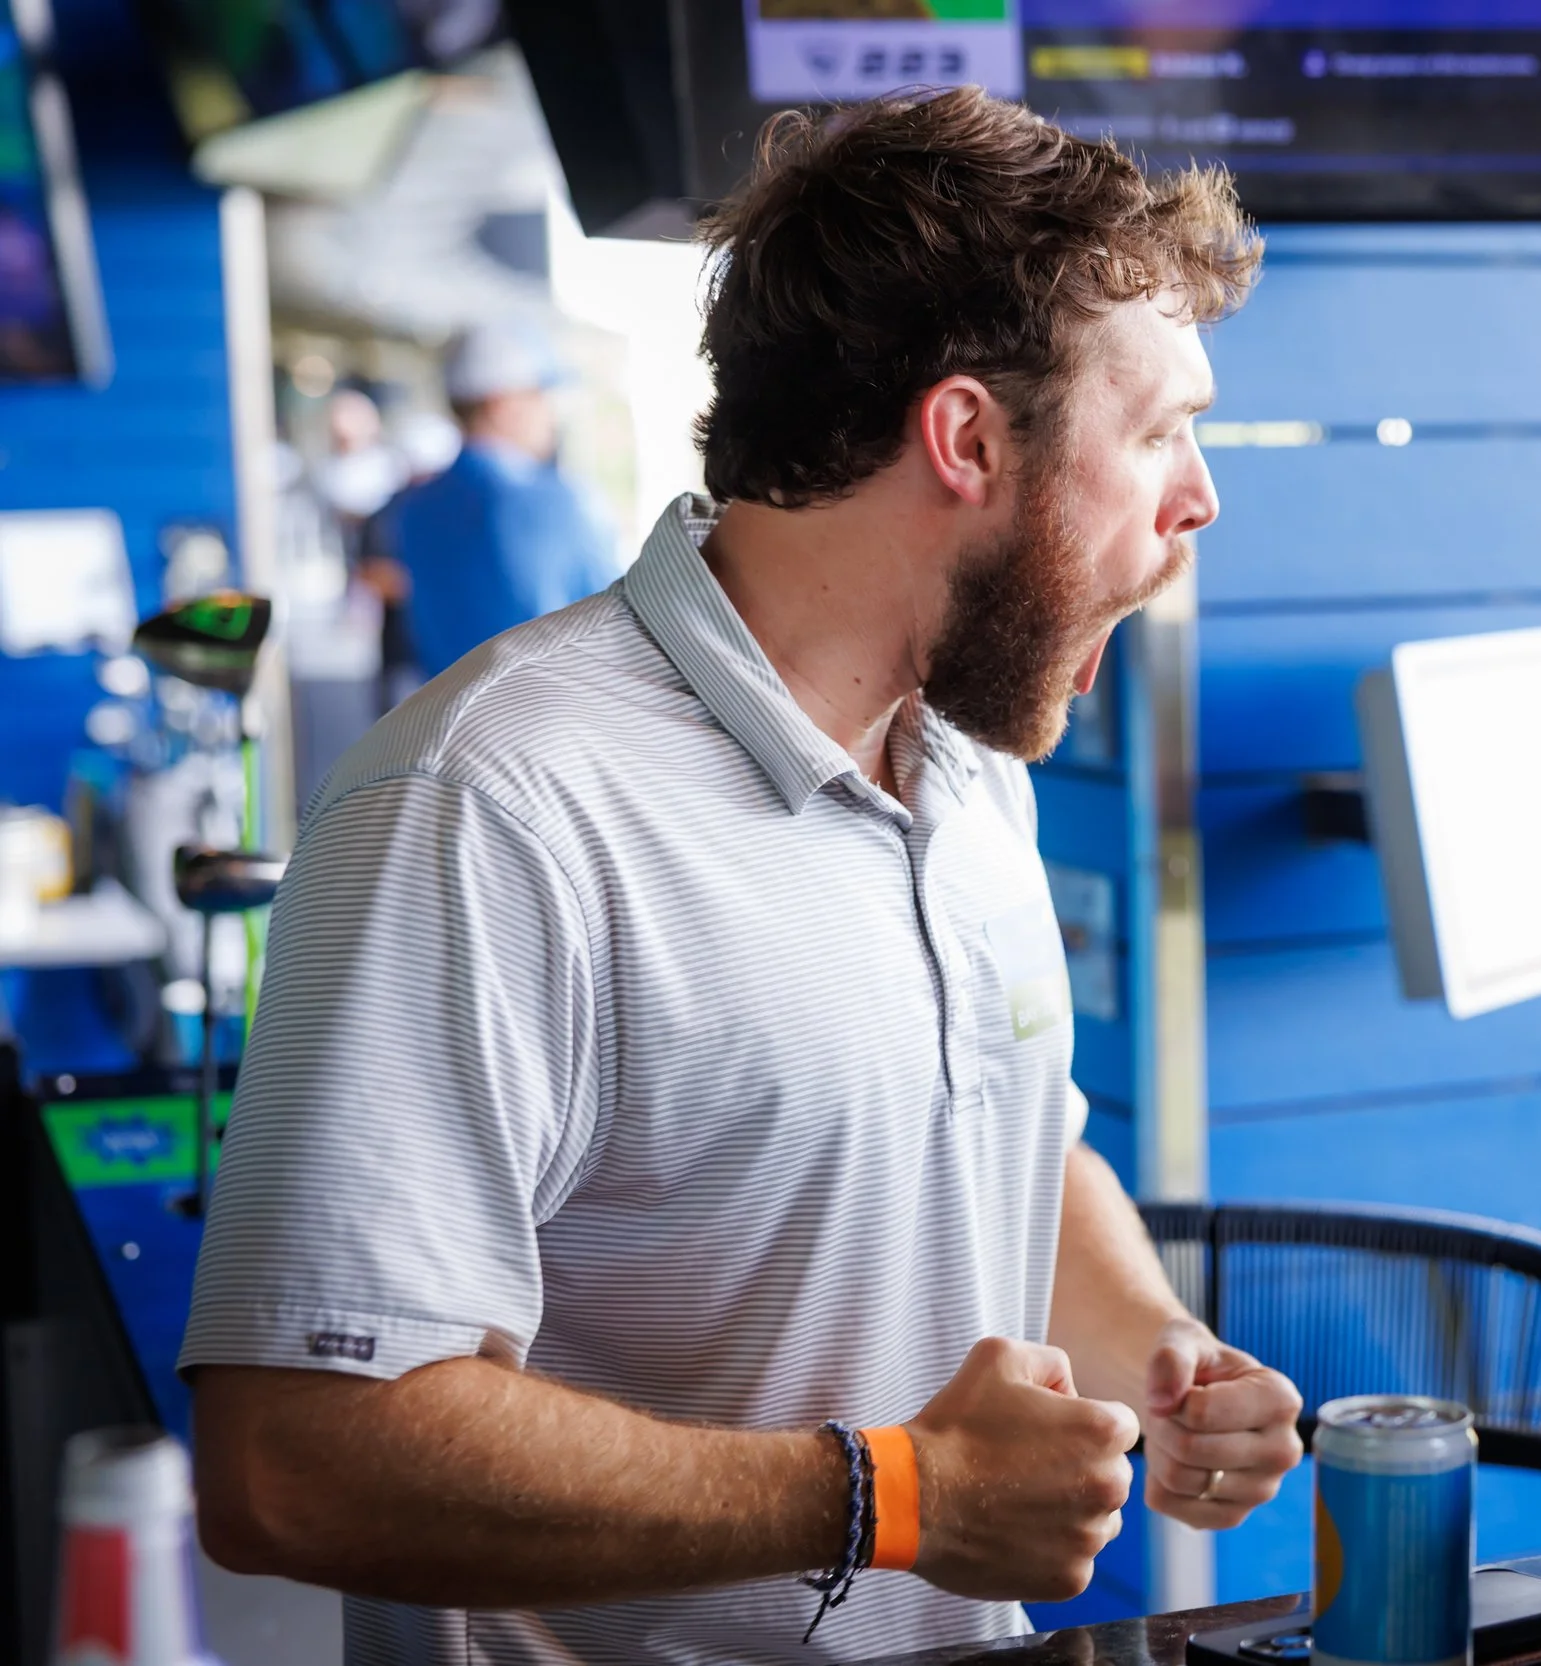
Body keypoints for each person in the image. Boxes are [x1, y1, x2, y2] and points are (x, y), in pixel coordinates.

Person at [180, 89, 1295, 1666]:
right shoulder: (492, 801)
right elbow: (293, 1459)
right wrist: (884, 1495)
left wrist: (1161, 1357)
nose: (1202, 499)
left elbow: (1007, 1136)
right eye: (1163, 428)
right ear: (967, 437)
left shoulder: (969, 760)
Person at [381, 318, 619, 681]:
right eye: (540, 395)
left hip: (445, 724)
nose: (551, 415)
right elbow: (619, 630)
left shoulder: (415, 510)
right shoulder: (555, 502)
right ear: (500, 404)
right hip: (550, 723)